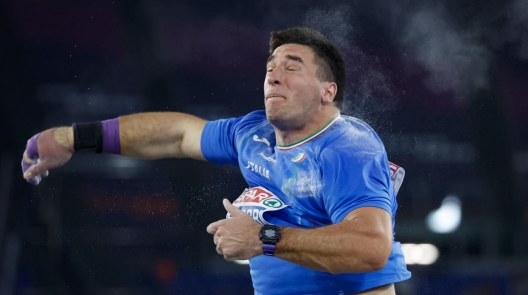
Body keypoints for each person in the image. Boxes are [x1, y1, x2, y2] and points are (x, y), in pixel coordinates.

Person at [21, 27, 411, 294]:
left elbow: (372, 246)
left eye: (292, 68)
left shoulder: (346, 146)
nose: (274, 76)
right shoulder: (252, 134)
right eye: (270, 67)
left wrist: (264, 238)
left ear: (328, 91)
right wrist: (75, 138)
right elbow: (177, 133)